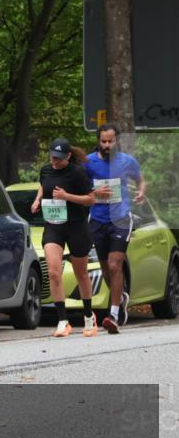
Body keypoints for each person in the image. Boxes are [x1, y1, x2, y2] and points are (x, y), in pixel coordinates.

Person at [31, 138, 97, 337]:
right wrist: (37, 200)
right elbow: (44, 186)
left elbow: (91, 199)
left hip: (76, 226)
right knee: (53, 272)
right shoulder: (45, 170)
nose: (55, 162)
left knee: (81, 273)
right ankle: (63, 321)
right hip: (54, 225)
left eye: (59, 159)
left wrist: (67, 197)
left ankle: (88, 317)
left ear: (68, 156)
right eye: (52, 157)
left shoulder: (77, 173)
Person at [85, 123, 146, 334]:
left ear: (117, 140)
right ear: (98, 141)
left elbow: (141, 180)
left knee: (114, 265)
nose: (107, 145)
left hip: (120, 218)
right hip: (98, 220)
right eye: (104, 141)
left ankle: (113, 315)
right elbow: (80, 186)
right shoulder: (89, 162)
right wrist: (93, 190)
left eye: (111, 141)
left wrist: (140, 192)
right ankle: (120, 299)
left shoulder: (127, 161)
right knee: (105, 269)